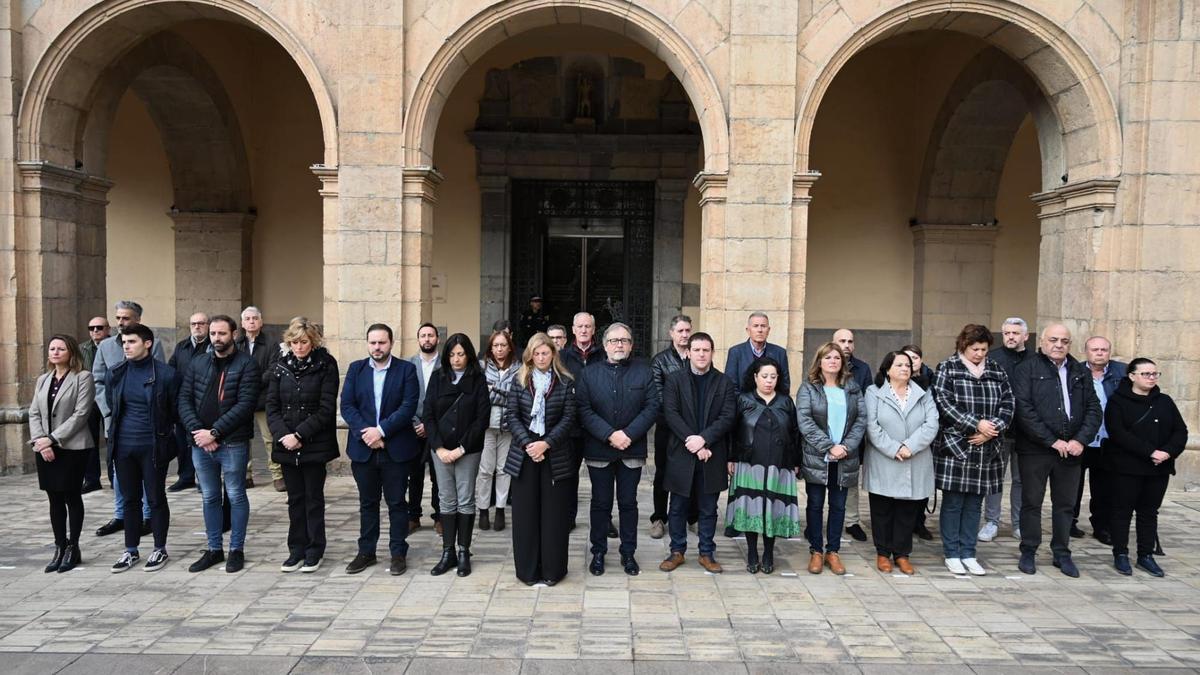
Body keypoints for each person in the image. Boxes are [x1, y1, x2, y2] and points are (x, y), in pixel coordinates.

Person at [1011, 323, 1101, 578]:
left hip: (1072, 451)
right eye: (1053, 339)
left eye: (1064, 341)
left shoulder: (1079, 371)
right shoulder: (1026, 368)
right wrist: (1051, 440)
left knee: (1065, 505)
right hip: (1036, 450)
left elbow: (1094, 408)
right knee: (1032, 502)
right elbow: (1023, 409)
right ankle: (1029, 550)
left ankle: (1061, 553)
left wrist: (1080, 440)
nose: (1059, 345)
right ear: (1042, 341)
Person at [178, 314, 261, 573]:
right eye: (213, 334)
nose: (216, 338)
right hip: (200, 443)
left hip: (232, 442)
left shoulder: (247, 364)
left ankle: (236, 549)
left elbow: (246, 405)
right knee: (209, 496)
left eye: (222, 334)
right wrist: (199, 432)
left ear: (234, 334)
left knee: (235, 494)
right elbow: (184, 399)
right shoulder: (198, 362)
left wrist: (215, 432)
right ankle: (214, 549)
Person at [577, 322, 660, 576]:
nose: (619, 345)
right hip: (599, 449)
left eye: (624, 340)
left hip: (631, 450)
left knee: (628, 503)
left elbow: (652, 407)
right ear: (604, 345)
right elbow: (583, 409)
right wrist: (609, 434)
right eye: (614, 341)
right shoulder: (589, 374)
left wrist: (628, 434)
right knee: (600, 504)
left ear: (631, 345)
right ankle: (598, 553)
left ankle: (628, 553)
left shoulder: (643, 372)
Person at [931, 324, 1014, 576]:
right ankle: (952, 552)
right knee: (954, 502)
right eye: (974, 349)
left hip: (987, 447)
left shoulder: (996, 370)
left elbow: (1008, 403)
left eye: (983, 349)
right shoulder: (948, 368)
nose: (979, 354)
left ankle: (969, 551)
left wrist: (991, 428)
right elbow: (944, 403)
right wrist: (975, 424)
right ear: (963, 346)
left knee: (974, 504)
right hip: (957, 445)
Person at [340, 323, 421, 576]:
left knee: (397, 503)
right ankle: (366, 552)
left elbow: (408, 407)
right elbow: (347, 406)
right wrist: (368, 434)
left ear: (391, 343)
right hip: (364, 448)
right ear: (367, 344)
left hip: (395, 447)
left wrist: (381, 431)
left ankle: (398, 553)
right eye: (373, 342)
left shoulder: (406, 370)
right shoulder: (356, 369)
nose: (377, 347)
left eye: (382, 342)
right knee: (367, 503)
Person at [266, 317, 340, 574]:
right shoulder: (280, 366)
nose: (299, 347)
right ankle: (295, 549)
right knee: (294, 499)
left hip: (313, 444)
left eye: (304, 342)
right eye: (294, 342)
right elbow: (272, 407)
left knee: (313, 499)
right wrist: (283, 435)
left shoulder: (325, 365)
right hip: (286, 444)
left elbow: (326, 408)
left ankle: (314, 549)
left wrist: (299, 434)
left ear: (313, 341)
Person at [659, 332, 736, 574]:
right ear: (688, 353)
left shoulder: (724, 382)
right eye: (697, 350)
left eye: (706, 350)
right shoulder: (674, 380)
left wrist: (704, 440)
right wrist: (693, 442)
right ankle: (677, 551)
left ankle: (706, 553)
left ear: (712, 353)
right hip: (681, 452)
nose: (701, 354)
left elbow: (728, 417)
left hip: (711, 453)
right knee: (678, 506)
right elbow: (671, 413)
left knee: (708, 507)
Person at [1103, 358, 1188, 577]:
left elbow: (1181, 431)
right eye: (1146, 374)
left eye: (1154, 374)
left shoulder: (1165, 401)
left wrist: (1168, 452)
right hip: (1127, 467)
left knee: (1149, 512)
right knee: (1122, 511)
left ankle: (1145, 555)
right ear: (1132, 376)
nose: (1151, 378)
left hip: (1158, 468)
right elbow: (1118, 433)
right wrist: (1150, 452)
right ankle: (1120, 554)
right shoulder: (1117, 401)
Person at [504, 332, 577, 586]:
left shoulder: (565, 382)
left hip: (554, 454)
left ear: (553, 354)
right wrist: (528, 444)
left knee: (554, 516)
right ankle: (527, 570)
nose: (542, 357)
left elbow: (568, 419)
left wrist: (546, 444)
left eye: (546, 352)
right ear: (530, 356)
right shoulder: (519, 381)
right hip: (524, 454)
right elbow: (512, 415)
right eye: (537, 353)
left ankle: (552, 570)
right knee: (525, 515)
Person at [106, 324, 180, 573]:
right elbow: (112, 406)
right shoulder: (116, 373)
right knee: (129, 499)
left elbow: (173, 412)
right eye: (124, 342)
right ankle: (131, 550)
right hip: (123, 446)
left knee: (156, 497)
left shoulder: (166, 375)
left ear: (147, 343)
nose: (126, 346)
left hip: (152, 445)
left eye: (131, 341)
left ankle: (160, 548)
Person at [92, 300, 163, 537]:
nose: (121, 322)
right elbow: (97, 381)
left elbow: (159, 378)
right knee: (119, 472)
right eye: (119, 318)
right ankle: (121, 514)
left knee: (144, 470)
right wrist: (108, 410)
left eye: (126, 318)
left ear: (138, 321)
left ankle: (146, 516)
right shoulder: (105, 347)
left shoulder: (155, 343)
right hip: (115, 420)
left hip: (143, 422)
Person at [863, 351, 938, 575]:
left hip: (914, 458)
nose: (905, 369)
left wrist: (909, 447)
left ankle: (902, 554)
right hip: (884, 458)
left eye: (907, 365)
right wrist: (894, 448)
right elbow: (872, 426)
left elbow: (931, 423)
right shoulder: (874, 392)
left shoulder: (923, 393)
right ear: (887, 369)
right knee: (882, 509)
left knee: (907, 510)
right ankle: (883, 553)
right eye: (899, 365)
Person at [423, 334, 490, 577]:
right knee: (446, 500)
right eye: (452, 354)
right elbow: (428, 414)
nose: (456, 359)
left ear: (469, 355)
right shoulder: (438, 377)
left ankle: (464, 551)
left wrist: (461, 449)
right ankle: (447, 551)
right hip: (440, 450)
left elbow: (481, 419)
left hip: (467, 450)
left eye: (461, 354)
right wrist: (439, 448)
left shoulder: (478, 380)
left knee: (465, 499)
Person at [726, 357, 800, 574]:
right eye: (764, 376)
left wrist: (796, 462)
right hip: (749, 463)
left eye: (773, 377)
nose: (769, 381)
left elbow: (795, 434)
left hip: (779, 463)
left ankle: (768, 552)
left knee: (773, 507)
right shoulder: (743, 400)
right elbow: (732, 431)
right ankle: (751, 552)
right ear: (755, 377)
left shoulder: (786, 402)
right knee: (752, 507)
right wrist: (730, 458)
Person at [797, 342, 866, 576]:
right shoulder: (809, 388)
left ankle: (833, 551)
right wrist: (828, 446)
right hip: (818, 456)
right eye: (828, 358)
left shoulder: (853, 388)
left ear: (843, 362)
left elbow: (861, 420)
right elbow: (805, 421)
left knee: (838, 506)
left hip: (845, 457)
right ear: (819, 361)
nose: (833, 361)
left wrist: (845, 446)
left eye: (837, 358)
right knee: (815, 505)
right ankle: (816, 550)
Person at [28, 334, 94, 573]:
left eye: (60, 349)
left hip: (72, 446)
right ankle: (59, 545)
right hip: (44, 448)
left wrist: (53, 439)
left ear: (71, 352)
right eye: (52, 349)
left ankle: (73, 547)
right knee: (54, 498)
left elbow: (81, 414)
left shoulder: (83, 377)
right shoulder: (43, 380)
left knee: (71, 496)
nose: (55, 352)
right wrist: (41, 442)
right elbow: (34, 413)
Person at [978, 317, 1031, 543]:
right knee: (994, 478)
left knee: (1022, 480)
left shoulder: (1035, 360)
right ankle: (991, 522)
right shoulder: (992, 359)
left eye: (1016, 333)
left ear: (1025, 336)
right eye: (1007, 333)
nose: (1011, 336)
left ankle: (1019, 523)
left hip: (1027, 431)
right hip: (998, 430)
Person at [559, 312, 610, 535]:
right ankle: (567, 518)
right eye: (579, 326)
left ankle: (604, 521)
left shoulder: (604, 354)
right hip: (571, 428)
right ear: (573, 329)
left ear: (593, 329)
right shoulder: (561, 356)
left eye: (587, 326)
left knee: (602, 479)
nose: (583, 330)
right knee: (569, 477)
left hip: (598, 427)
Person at [1073, 335, 1126, 544]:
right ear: (1086, 351)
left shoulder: (1121, 372)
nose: (1099, 353)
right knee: (1072, 486)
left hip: (1107, 440)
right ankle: (1069, 523)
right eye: (1095, 349)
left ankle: (1101, 526)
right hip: (1080, 438)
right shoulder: (1074, 371)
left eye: (1103, 350)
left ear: (1109, 352)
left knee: (1104, 487)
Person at [649, 315, 692, 538]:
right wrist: (679, 421)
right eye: (680, 331)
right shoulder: (660, 361)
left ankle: (691, 516)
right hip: (667, 427)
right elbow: (659, 397)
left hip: (693, 429)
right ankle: (658, 517)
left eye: (687, 331)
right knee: (663, 471)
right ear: (671, 333)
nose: (684, 335)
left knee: (692, 470)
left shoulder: (697, 356)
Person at [832, 328, 871, 542]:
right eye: (842, 341)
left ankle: (852, 521)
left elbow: (866, 402)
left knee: (850, 481)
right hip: (827, 435)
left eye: (850, 341)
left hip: (851, 436)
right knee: (822, 480)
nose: (846, 345)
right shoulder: (823, 365)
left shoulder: (863, 369)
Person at [477, 330, 518, 532]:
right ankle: (483, 509)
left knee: (503, 469)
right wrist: (501, 392)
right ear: (490, 348)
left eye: (503, 345)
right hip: (486, 425)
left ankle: (500, 508)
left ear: (509, 347)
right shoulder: (481, 367)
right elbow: (481, 396)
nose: (499, 349)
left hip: (509, 426)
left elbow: (517, 397)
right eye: (496, 345)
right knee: (485, 470)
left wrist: (495, 389)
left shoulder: (519, 368)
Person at [236, 306, 279, 490]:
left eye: (255, 318)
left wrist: (253, 382)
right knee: (242, 438)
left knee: (269, 438)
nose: (251, 321)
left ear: (261, 322)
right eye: (248, 319)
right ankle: (245, 475)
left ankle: (278, 475)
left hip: (264, 397)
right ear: (242, 323)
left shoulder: (271, 344)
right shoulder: (236, 344)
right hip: (241, 399)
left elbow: (274, 367)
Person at [167, 312, 209, 492]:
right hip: (183, 403)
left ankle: (204, 479)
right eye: (193, 324)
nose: (197, 327)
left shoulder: (213, 346)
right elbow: (171, 372)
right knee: (183, 443)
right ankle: (185, 477)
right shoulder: (181, 347)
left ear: (208, 325)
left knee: (202, 442)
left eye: (201, 323)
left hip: (205, 402)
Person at [408, 323, 442, 534]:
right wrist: (415, 422)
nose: (427, 339)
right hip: (413, 427)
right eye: (423, 336)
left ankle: (440, 516)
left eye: (430, 335)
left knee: (439, 475)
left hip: (438, 428)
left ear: (437, 339)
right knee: (414, 474)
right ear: (418, 339)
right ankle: (413, 516)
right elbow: (404, 398)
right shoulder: (409, 365)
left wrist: (431, 426)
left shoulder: (445, 364)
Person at [900, 343, 935, 541]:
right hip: (900, 439)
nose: (910, 362)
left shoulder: (931, 378)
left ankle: (918, 521)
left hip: (923, 439)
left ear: (920, 360)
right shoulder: (890, 378)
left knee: (921, 482)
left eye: (914, 358)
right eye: (907, 358)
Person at [724, 312, 791, 395]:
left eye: (763, 326)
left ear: (768, 330)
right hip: (743, 406)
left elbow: (785, 386)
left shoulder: (780, 353)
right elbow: (730, 387)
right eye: (755, 326)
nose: (760, 330)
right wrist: (744, 404)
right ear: (748, 330)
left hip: (772, 405)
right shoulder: (736, 352)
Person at [79, 316, 109, 493]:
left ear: (107, 329)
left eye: (99, 327)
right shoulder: (82, 349)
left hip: (107, 398)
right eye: (91, 328)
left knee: (111, 439)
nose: (95, 331)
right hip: (88, 400)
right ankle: (91, 479)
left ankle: (115, 477)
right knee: (89, 441)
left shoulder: (115, 346)